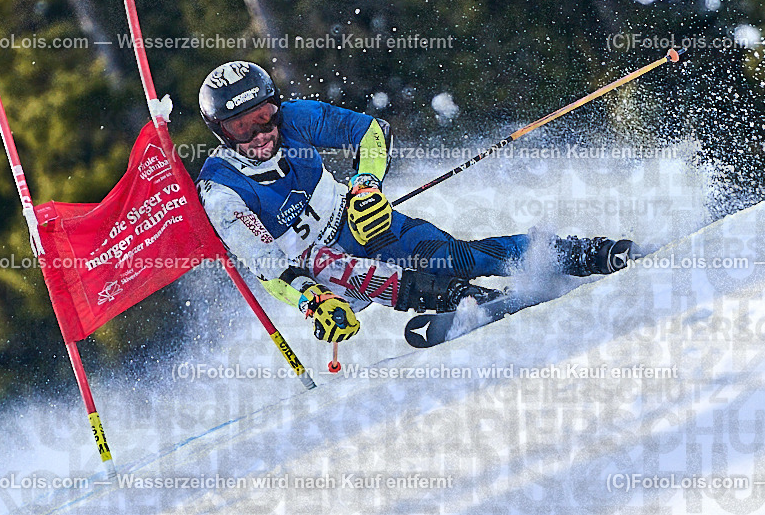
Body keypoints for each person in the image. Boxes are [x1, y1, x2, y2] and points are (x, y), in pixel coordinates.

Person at [195, 61, 634, 343]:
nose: (261, 135)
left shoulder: (297, 119)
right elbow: (268, 268)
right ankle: (460, 299)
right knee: (344, 267)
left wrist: (367, 185)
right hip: (321, 272)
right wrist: (313, 303)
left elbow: (371, 132)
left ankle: (584, 252)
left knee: (452, 256)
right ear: (220, 132)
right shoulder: (223, 192)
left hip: (360, 222)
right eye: (242, 129)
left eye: (265, 117)